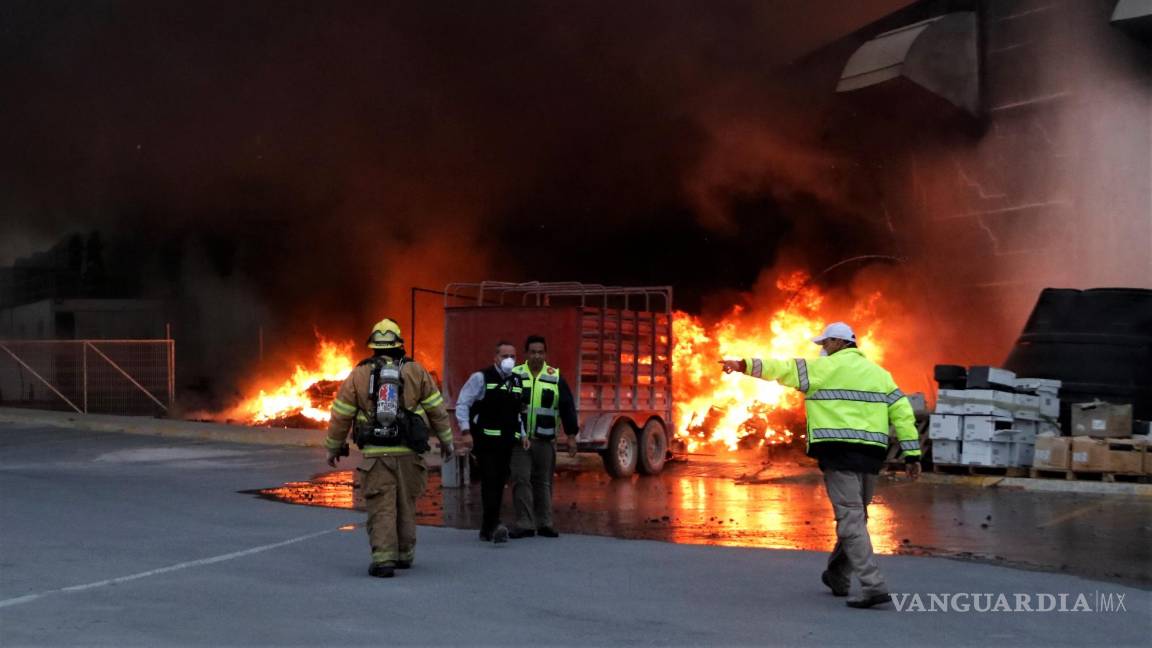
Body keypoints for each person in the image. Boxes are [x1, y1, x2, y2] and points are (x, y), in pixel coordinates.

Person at [720, 321, 921, 609]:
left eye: (825, 343)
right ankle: (838, 575)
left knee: (851, 519)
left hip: (839, 456)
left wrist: (741, 364)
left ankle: (872, 585)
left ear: (839, 343)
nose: (823, 349)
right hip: (871, 458)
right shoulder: (880, 375)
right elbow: (902, 412)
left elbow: (781, 369)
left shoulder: (822, 370)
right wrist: (912, 454)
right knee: (856, 518)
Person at [325, 318, 454, 578]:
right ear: (399, 344)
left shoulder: (359, 374)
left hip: (375, 454)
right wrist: (446, 441)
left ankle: (384, 560)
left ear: (373, 346)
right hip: (409, 454)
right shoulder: (416, 371)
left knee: (382, 505)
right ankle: (405, 555)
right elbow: (437, 410)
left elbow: (341, 414)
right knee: (405, 504)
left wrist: (333, 447)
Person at [509, 335, 580, 538]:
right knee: (521, 480)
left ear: (546, 354)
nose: (537, 356)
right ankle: (525, 523)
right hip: (520, 441)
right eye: (533, 352)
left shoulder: (554, 376)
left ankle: (545, 523)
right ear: (526, 354)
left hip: (545, 440)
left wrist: (571, 436)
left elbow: (567, 407)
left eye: (540, 352)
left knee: (543, 482)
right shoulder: (515, 375)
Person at [455, 340, 523, 543]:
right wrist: (466, 431)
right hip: (486, 442)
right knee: (490, 481)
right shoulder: (481, 378)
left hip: (507, 442)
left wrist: (523, 434)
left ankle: (488, 527)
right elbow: (463, 403)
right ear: (495, 358)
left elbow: (517, 411)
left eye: (512, 356)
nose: (509, 360)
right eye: (504, 356)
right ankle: (493, 525)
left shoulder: (517, 381)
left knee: (500, 481)